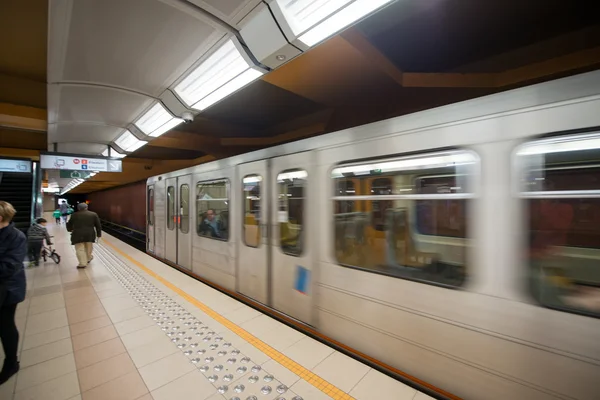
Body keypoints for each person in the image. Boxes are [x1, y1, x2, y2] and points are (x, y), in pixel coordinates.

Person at [0, 201, 27, 385]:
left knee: (5, 325)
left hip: (7, 289)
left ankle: (11, 362)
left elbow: (10, 266)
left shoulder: (16, 237)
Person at [67, 203, 102, 269]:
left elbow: (69, 224)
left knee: (80, 249)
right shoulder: (93, 214)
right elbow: (98, 225)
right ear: (87, 207)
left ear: (78, 208)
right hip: (90, 234)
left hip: (77, 234)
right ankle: (88, 258)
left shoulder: (74, 215)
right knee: (89, 247)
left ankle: (82, 263)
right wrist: (99, 234)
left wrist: (69, 230)